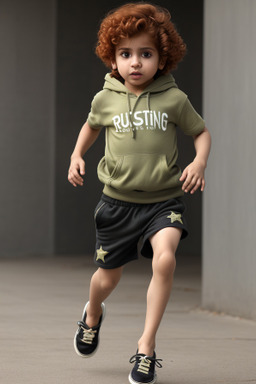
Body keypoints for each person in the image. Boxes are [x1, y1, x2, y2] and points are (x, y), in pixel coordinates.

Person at [68, 3, 211, 384]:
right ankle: (93, 313)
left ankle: (146, 347)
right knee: (106, 279)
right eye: (126, 54)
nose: (135, 63)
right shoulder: (106, 98)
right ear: (112, 57)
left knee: (165, 260)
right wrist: (76, 156)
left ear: (162, 58)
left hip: (163, 201)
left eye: (145, 54)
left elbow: (200, 132)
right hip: (117, 204)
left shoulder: (173, 99)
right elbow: (91, 126)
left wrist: (198, 163)